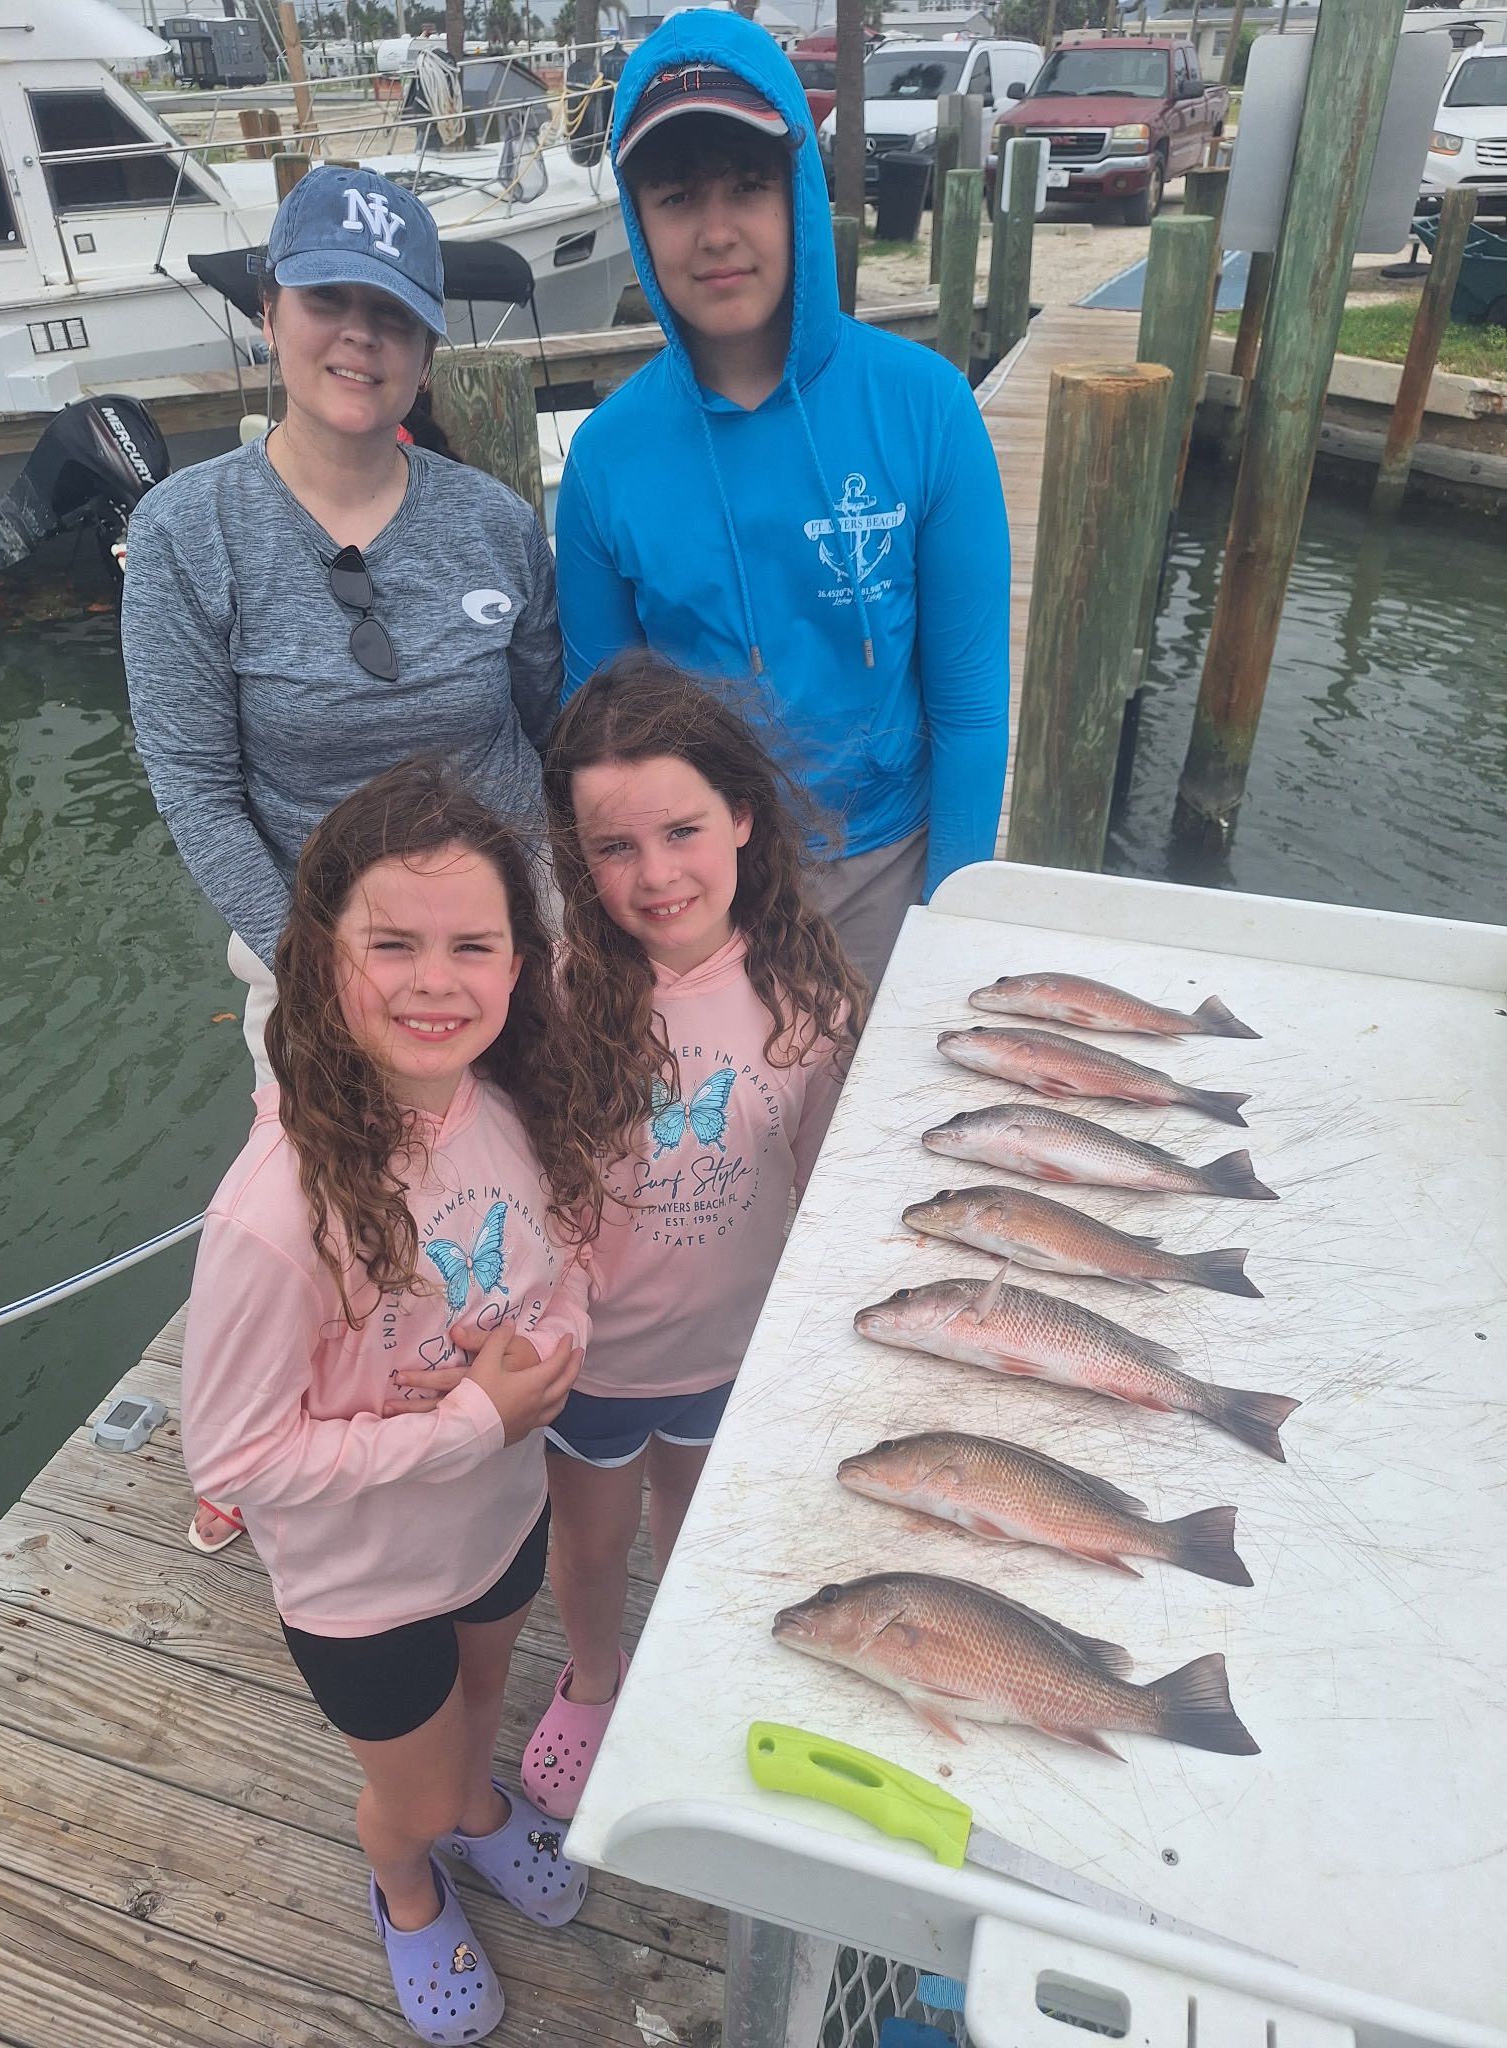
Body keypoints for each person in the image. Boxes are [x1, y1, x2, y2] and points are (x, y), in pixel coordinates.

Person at [122, 165, 561, 1551]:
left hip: (494, 942)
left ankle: (483, 1380)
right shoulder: (189, 534)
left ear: (429, 345)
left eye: (394, 314)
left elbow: (549, 729)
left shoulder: (496, 521)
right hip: (314, 951)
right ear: (272, 310)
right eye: (330, 301)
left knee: (498, 1174)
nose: (359, 339)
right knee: (322, 1199)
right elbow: (193, 782)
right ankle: (270, 1428)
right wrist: (325, 972)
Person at [390, 651, 867, 1816]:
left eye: (684, 830)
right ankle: (597, 1672)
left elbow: (818, 1183)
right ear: (576, 855)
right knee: (591, 1550)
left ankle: (696, 1667)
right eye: (614, 847)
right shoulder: (544, 995)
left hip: (733, 1351)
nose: (656, 874)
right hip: (590, 1362)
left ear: (744, 817)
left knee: (696, 1536)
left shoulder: (813, 998)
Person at [181, 760, 597, 2045]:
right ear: (320, 959)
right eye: (393, 944)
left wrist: (555, 1334)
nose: (437, 980)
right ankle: (410, 1876)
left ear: (520, 964)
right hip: (366, 1581)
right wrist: (471, 1421)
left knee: (483, 1700)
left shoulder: (513, 1107)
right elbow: (237, 1447)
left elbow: (558, 1255)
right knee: (402, 1790)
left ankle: (478, 1805)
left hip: (498, 1519)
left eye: (474, 943)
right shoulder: (272, 1214)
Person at [554, 12, 1011, 995]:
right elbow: (594, 737)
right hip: (700, 896)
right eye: (676, 197)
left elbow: (970, 709)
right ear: (637, 218)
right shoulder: (603, 462)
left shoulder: (926, 406)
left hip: (894, 865)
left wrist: (950, 930)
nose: (716, 232)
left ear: (799, 190)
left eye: (748, 187)